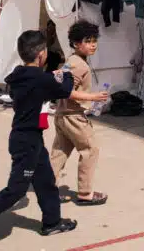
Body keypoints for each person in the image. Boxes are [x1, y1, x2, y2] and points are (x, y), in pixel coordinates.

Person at [0, 30, 109, 251]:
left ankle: (52, 222)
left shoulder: (18, 75)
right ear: (42, 54)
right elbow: (63, 90)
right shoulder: (41, 79)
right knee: (16, 190)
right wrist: (66, 72)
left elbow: (39, 89)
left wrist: (54, 77)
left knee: (45, 182)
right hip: (27, 142)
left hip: (27, 136)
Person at [50, 20, 108, 206]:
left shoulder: (72, 60)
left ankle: (47, 188)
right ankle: (85, 194)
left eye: (94, 40)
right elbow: (67, 91)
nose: (93, 45)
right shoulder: (79, 65)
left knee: (59, 153)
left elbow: (60, 82)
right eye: (88, 41)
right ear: (76, 43)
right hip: (73, 116)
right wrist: (93, 97)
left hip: (62, 116)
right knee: (90, 150)